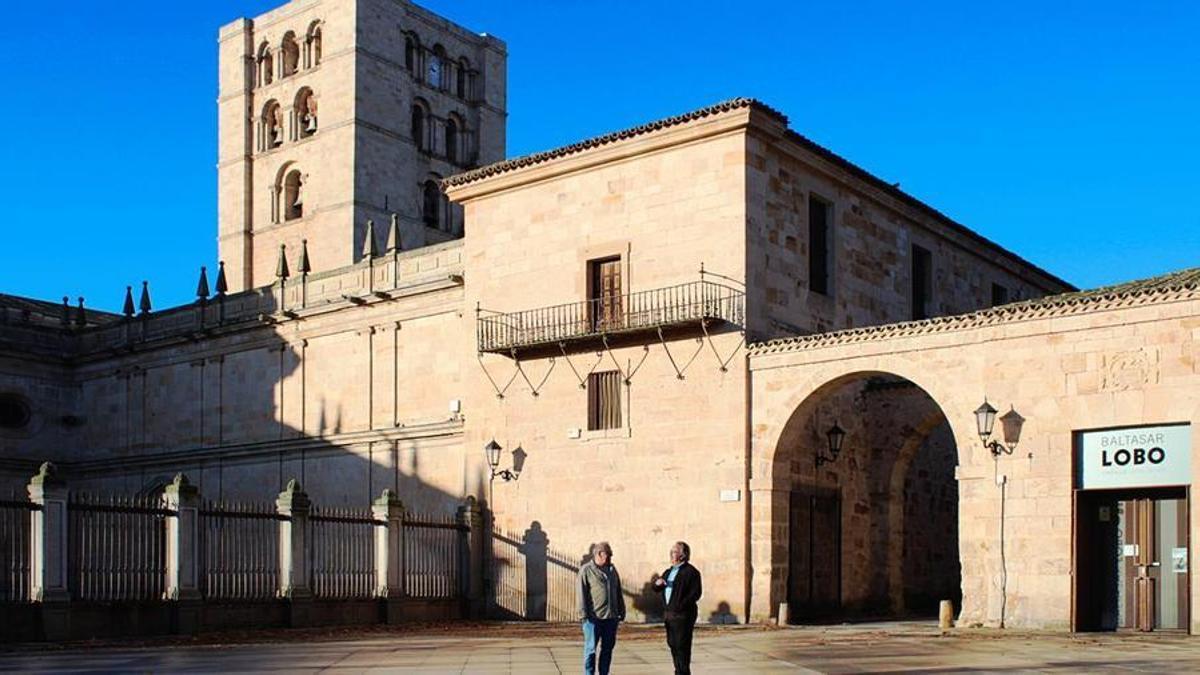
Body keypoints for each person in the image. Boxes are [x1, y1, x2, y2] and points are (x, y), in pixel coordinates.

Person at [653, 541, 702, 675]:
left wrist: (680, 606)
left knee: (682, 647)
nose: (671, 554)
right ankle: (678, 671)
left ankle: (683, 672)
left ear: (683, 555)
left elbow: (695, 593)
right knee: (673, 645)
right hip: (670, 615)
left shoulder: (691, 572)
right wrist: (657, 584)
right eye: (671, 551)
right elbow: (656, 588)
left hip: (683, 616)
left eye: (674, 552)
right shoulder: (668, 572)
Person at [577, 541, 625, 675]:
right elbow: (581, 593)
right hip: (593, 618)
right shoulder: (586, 570)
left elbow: (618, 591)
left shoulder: (612, 570)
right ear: (599, 554)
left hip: (611, 618)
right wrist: (583, 614)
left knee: (607, 649)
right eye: (609, 555)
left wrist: (621, 609)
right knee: (591, 650)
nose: (611, 557)